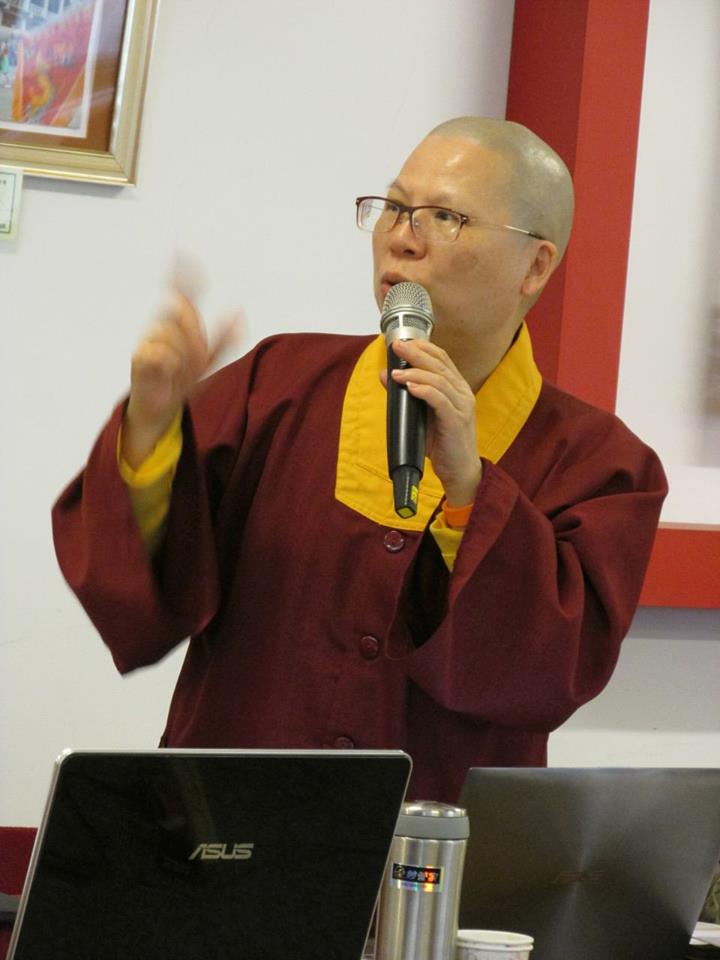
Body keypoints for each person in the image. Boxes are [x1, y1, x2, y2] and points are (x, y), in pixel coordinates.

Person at [52, 117, 668, 803]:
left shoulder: (602, 466)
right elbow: (140, 588)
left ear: (536, 265)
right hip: (229, 833)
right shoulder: (276, 386)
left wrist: (469, 490)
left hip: (438, 848)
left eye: (446, 217)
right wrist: (149, 432)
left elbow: (549, 673)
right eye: (394, 207)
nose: (403, 236)